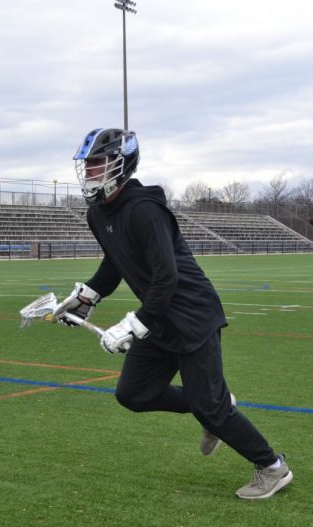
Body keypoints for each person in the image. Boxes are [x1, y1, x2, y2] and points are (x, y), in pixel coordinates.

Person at [53, 127, 292, 500]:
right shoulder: (98, 214)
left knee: (209, 408)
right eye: (87, 165)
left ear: (121, 164)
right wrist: (87, 296)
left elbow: (167, 276)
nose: (89, 172)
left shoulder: (144, 209)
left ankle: (272, 467)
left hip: (191, 315)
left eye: (97, 164)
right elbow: (115, 263)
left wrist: (134, 324)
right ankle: (212, 405)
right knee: (133, 393)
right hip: (160, 316)